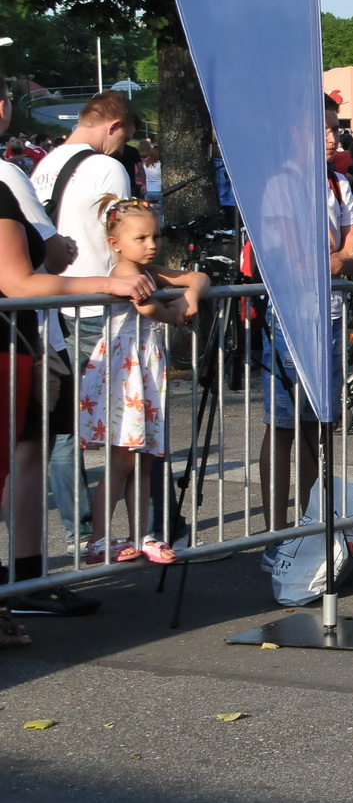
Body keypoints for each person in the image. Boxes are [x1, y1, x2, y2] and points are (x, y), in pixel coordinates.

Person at [0, 177, 153, 644]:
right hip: (9, 345)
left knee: (26, 457)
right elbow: (18, 281)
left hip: (19, 344)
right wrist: (107, 282)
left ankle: (24, 583)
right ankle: (27, 582)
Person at [257, 98, 353, 556]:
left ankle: (309, 530)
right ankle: (275, 536)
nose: (332, 137)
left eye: (335, 128)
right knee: (285, 426)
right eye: (322, 128)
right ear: (295, 132)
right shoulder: (283, 184)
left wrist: (338, 257)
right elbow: (303, 262)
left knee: (319, 427)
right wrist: (340, 257)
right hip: (293, 318)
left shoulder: (337, 183)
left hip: (333, 316)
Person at [34, 94, 141, 554]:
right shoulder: (106, 167)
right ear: (114, 126)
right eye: (124, 139)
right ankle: (132, 528)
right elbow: (124, 235)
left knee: (64, 427)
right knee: (127, 422)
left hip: (54, 304)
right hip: (103, 305)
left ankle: (78, 530)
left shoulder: (43, 165)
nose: (122, 148)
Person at [77, 198, 210, 565]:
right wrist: (176, 312)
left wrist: (190, 295)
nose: (151, 244)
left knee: (145, 460)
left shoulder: (148, 269)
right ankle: (99, 539)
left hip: (146, 372)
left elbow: (197, 277)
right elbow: (147, 306)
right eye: (141, 238)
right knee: (121, 461)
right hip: (127, 374)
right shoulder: (124, 271)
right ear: (116, 243)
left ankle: (142, 534)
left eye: (155, 236)